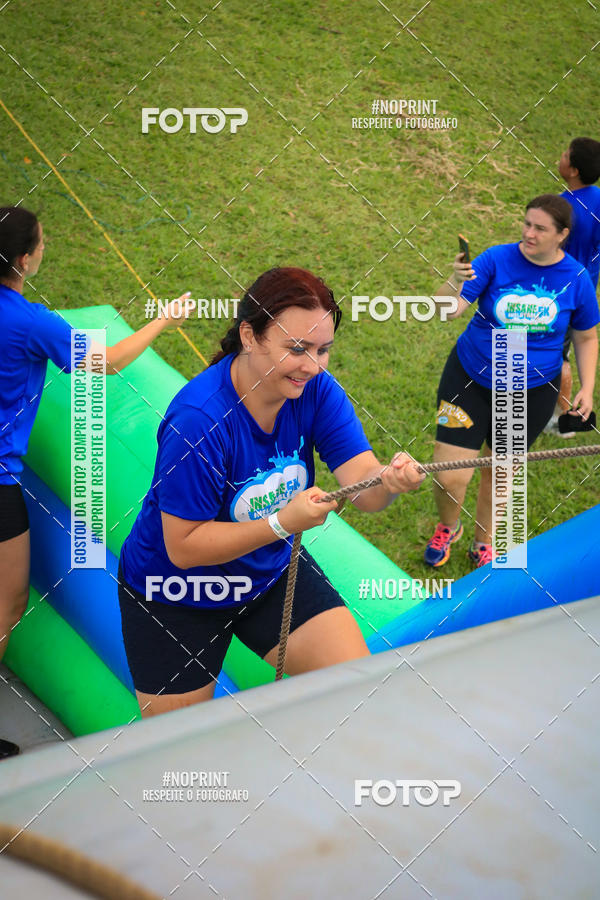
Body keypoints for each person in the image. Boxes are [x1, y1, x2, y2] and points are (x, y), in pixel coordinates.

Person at [118, 266, 425, 718]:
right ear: (249, 336)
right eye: (297, 349)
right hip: (175, 594)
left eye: (323, 350)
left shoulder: (316, 390)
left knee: (361, 692)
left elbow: (365, 489)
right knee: (180, 746)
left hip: (269, 574)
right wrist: (281, 523)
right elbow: (183, 548)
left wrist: (388, 479)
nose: (313, 366)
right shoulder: (199, 421)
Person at [0, 206, 189, 757]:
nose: (45, 247)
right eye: (41, 242)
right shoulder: (31, 323)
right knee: (8, 601)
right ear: (25, 260)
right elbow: (105, 361)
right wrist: (163, 321)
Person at [424, 194, 599, 569]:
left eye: (540, 228)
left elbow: (586, 337)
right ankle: (449, 526)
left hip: (530, 391)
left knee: (499, 472)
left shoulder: (576, 278)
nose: (529, 233)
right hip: (470, 378)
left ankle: (483, 541)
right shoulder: (495, 259)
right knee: (449, 476)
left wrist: (587, 388)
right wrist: (454, 280)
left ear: (562, 235)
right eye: (527, 224)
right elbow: (447, 311)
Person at [544, 137, 600, 436]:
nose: (561, 156)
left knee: (557, 355)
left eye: (565, 154)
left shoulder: (561, 208)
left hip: (558, 295)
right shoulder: (599, 199)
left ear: (574, 170)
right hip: (586, 291)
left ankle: (563, 420)